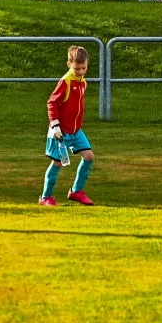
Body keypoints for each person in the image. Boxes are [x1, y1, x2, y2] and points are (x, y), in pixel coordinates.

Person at [39, 45, 97, 206]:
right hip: (61, 132)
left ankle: (76, 191)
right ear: (69, 64)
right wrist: (55, 125)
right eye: (77, 68)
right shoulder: (65, 82)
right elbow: (52, 103)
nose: (80, 72)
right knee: (57, 163)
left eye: (83, 68)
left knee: (89, 157)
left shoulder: (83, 83)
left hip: (76, 131)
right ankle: (45, 197)